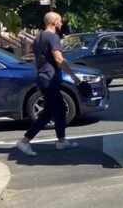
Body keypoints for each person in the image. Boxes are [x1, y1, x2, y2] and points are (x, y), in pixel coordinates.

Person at [15, 12, 83, 156]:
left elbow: (38, 61)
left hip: (43, 77)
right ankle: (25, 141)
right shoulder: (53, 37)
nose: (61, 23)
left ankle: (61, 141)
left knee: (60, 109)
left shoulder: (38, 38)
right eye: (60, 20)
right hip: (50, 79)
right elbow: (58, 59)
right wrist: (73, 76)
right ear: (54, 22)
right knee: (48, 113)